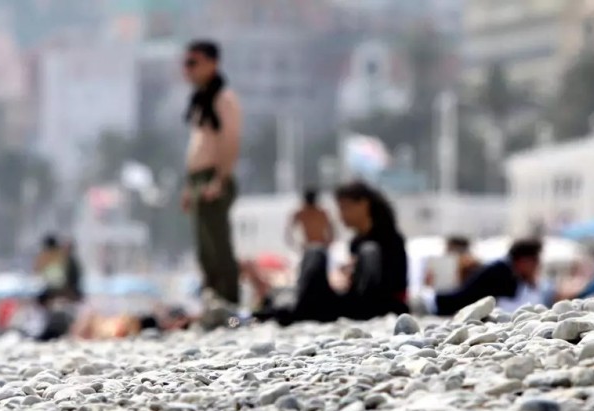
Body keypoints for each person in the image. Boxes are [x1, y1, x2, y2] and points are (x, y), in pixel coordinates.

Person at [262, 181, 408, 324]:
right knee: (315, 252)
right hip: (351, 304)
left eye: (345, 208)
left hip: (376, 305)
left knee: (369, 251)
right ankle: (300, 307)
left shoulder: (390, 239)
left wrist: (354, 272)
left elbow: (389, 283)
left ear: (363, 204)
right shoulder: (355, 243)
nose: (341, 215)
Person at [180, 39, 242, 305]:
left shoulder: (223, 98)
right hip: (197, 179)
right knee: (204, 248)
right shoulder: (201, 100)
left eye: (193, 63)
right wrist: (188, 186)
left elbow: (230, 140)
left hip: (213, 177)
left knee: (218, 245)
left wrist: (220, 178)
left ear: (212, 63)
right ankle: (213, 299)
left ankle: (229, 300)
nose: (188, 69)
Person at [421, 239, 543, 316]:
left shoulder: (504, 269)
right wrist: (531, 282)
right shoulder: (504, 273)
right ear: (523, 260)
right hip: (437, 305)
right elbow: (514, 307)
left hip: (442, 303)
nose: (537, 265)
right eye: (535, 261)